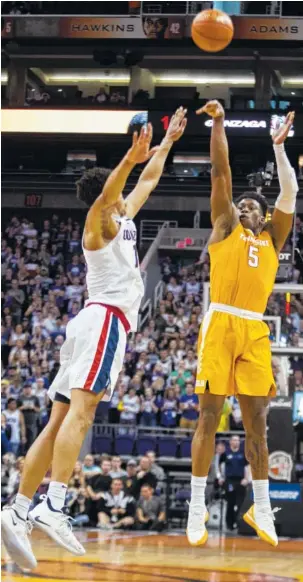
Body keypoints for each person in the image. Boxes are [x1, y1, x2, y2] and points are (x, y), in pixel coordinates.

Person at [1, 107, 187, 571]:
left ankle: (19, 510)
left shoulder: (122, 219)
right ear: (106, 195)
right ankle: (54, 503)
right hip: (105, 323)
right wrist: (130, 156)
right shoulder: (99, 222)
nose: (127, 193)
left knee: (58, 418)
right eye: (119, 189)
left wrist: (164, 146)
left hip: (89, 324)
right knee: (81, 416)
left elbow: (148, 182)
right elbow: (115, 190)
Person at [187, 101, 298, 548]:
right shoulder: (226, 225)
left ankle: (261, 504)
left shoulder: (273, 235)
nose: (245, 206)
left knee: (258, 423)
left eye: (253, 206)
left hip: (254, 328)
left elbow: (290, 193)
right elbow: (220, 172)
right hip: (221, 321)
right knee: (210, 416)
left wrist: (279, 149)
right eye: (242, 203)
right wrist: (217, 124)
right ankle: (197, 504)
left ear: (264, 216)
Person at [218, 435, 250, 531]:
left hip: (240, 481)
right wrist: (220, 477)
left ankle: (239, 523)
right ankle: (229, 524)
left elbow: (247, 467)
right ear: (231, 442)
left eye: (238, 441)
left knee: (240, 503)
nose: (237, 442)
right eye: (235, 440)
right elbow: (219, 466)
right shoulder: (225, 454)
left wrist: (246, 478)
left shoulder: (243, 454)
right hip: (230, 481)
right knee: (230, 503)